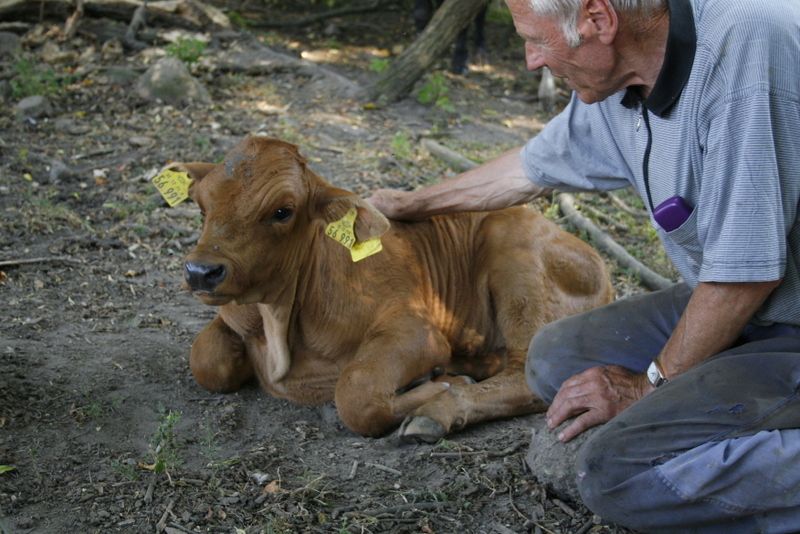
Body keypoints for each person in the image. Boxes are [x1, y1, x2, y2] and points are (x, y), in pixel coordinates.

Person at [369, 0, 800, 531]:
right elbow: (528, 169)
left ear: (599, 19)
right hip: (756, 304)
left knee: (616, 474)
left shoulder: (751, 47)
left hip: (773, 304)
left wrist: (647, 385)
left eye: (536, 39)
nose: (529, 60)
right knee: (555, 357)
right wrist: (411, 204)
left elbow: (743, 274)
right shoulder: (619, 80)